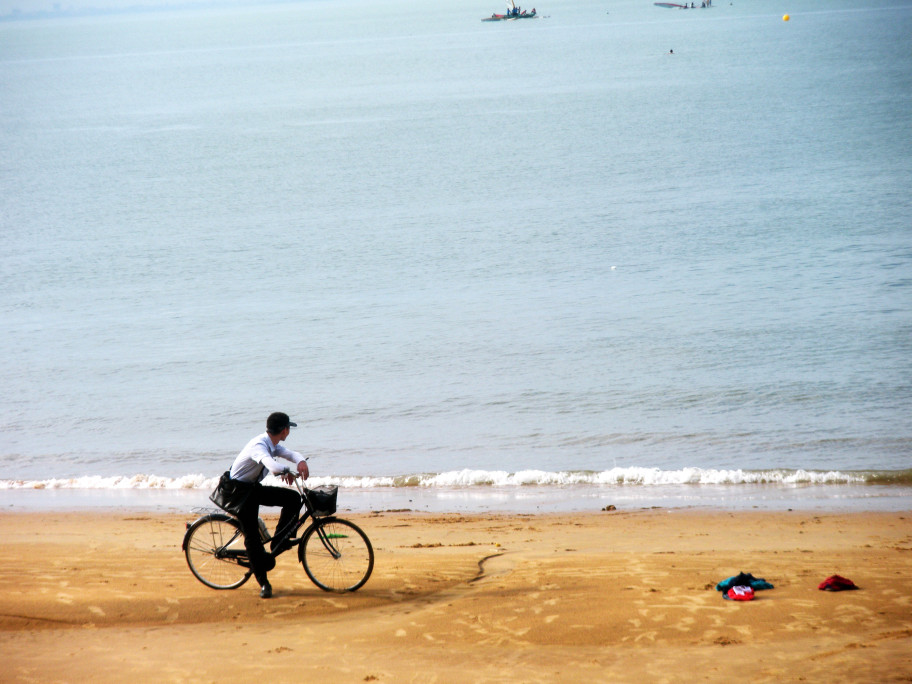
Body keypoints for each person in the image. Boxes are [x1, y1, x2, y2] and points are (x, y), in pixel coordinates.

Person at [229, 412, 310, 598]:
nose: (289, 432)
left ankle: (279, 542)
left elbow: (289, 454)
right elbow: (272, 466)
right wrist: (286, 470)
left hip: (251, 488)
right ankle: (263, 583)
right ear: (284, 431)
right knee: (252, 539)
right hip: (239, 493)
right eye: (288, 429)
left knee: (293, 499)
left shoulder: (272, 443)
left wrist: (301, 461)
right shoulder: (259, 446)